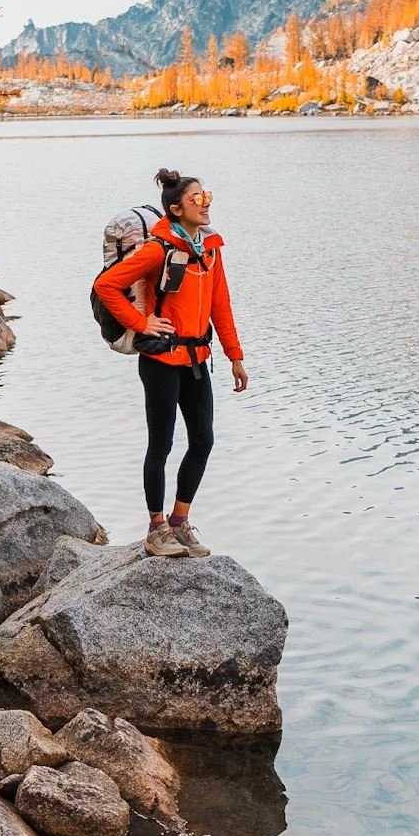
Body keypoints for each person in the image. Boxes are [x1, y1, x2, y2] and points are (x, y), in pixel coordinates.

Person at [92, 168, 248, 558]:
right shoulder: (157, 248)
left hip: (197, 359)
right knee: (160, 444)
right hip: (161, 359)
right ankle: (155, 528)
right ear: (177, 208)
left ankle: (180, 523)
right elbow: (106, 286)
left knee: (203, 441)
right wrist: (141, 322)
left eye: (207, 195)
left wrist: (235, 356)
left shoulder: (209, 249)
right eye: (197, 198)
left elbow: (220, 306)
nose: (206, 203)